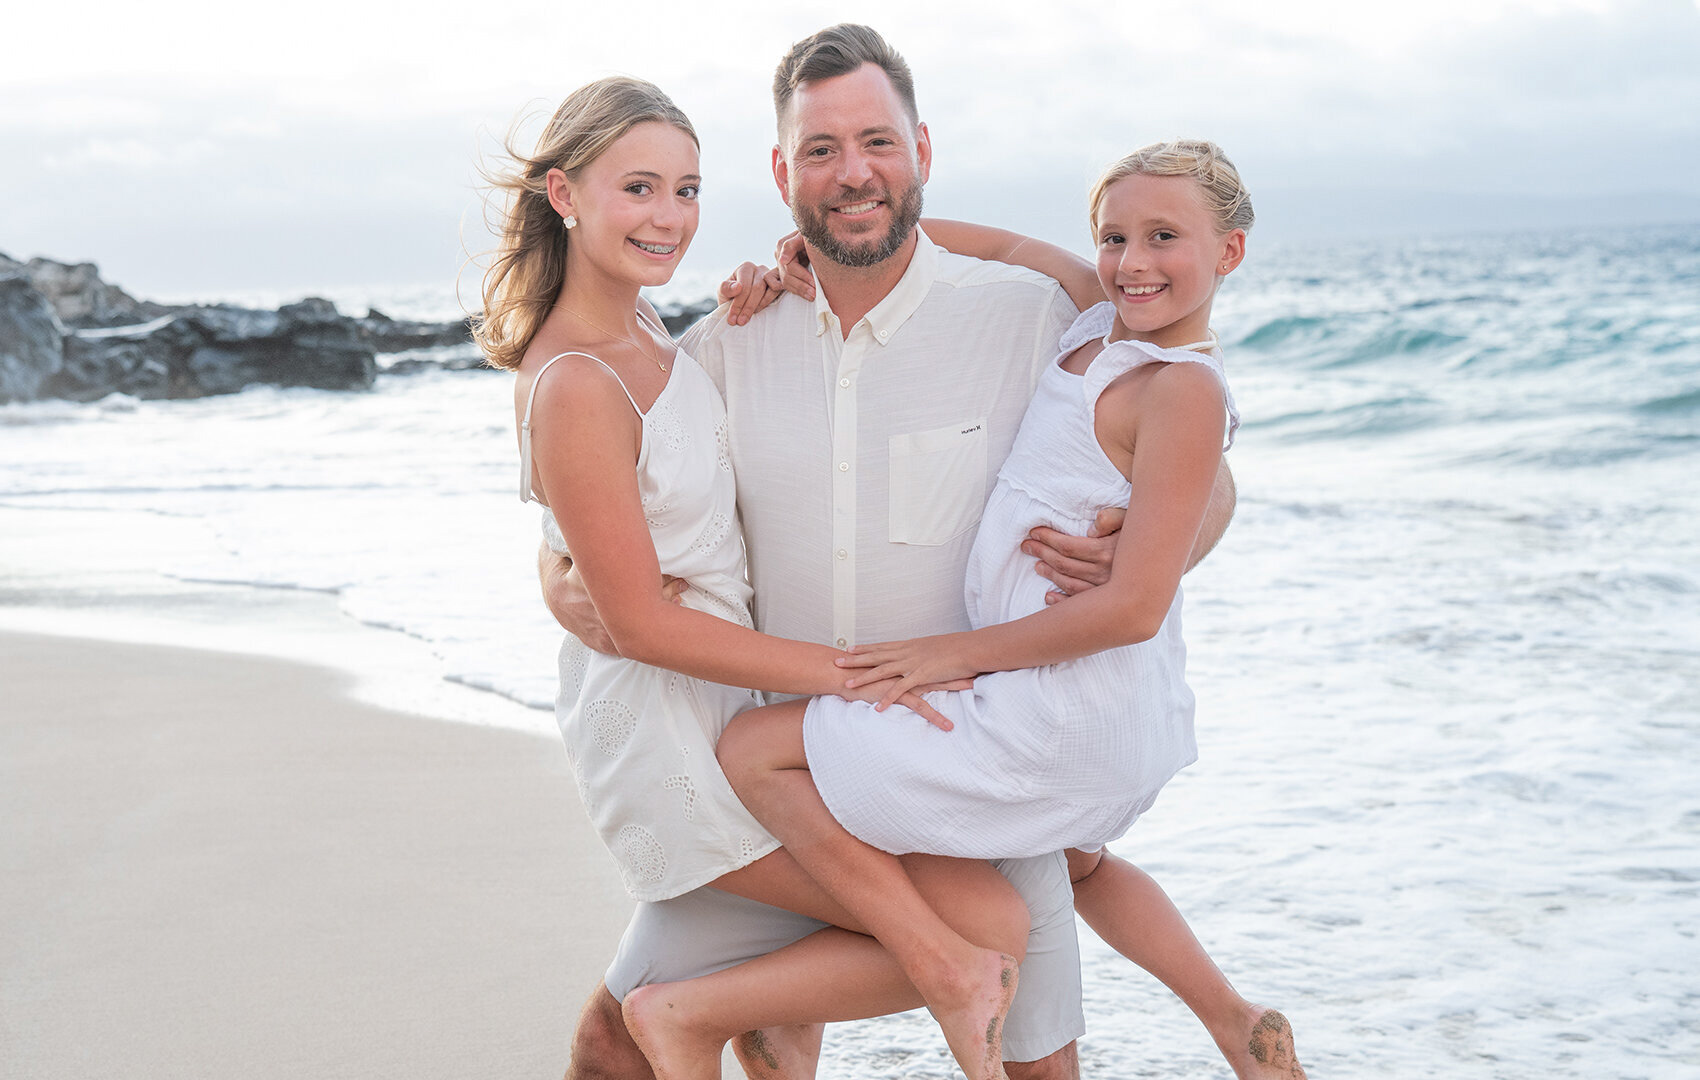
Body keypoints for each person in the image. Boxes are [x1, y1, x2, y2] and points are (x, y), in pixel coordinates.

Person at [534, 25, 1244, 1080]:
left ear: (919, 149)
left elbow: (1192, 444)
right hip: (793, 778)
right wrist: (557, 584)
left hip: (963, 755)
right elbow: (624, 501)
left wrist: (1165, 544)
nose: (851, 171)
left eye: (876, 141)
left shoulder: (1030, 318)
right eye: (819, 150)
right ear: (781, 174)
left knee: (1030, 1063)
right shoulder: (720, 346)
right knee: (617, 1041)